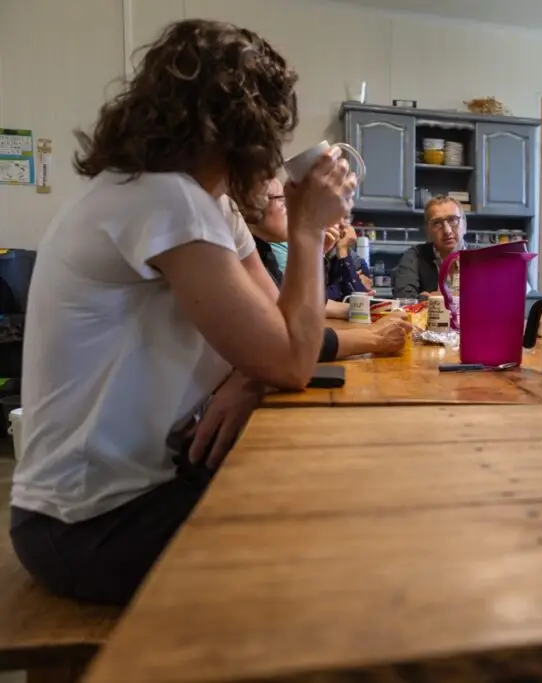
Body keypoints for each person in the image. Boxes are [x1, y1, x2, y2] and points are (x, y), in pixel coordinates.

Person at [8, 19, 354, 605]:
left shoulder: (204, 205)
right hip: (87, 523)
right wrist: (309, 229)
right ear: (247, 131)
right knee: (335, 540)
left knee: (324, 482)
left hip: (130, 494)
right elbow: (293, 359)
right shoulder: (161, 198)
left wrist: (249, 375)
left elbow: (279, 329)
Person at [244, 179, 408, 358]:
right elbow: (291, 339)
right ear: (251, 207)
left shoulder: (262, 250)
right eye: (281, 201)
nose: (291, 211)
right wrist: (374, 337)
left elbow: (299, 312)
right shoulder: (251, 253)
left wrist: (319, 252)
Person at [392, 195, 466, 299]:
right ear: (428, 231)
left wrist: (431, 297)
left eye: (452, 220)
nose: (447, 231)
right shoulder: (415, 256)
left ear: (465, 225)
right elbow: (405, 299)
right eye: (437, 223)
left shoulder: (482, 259)